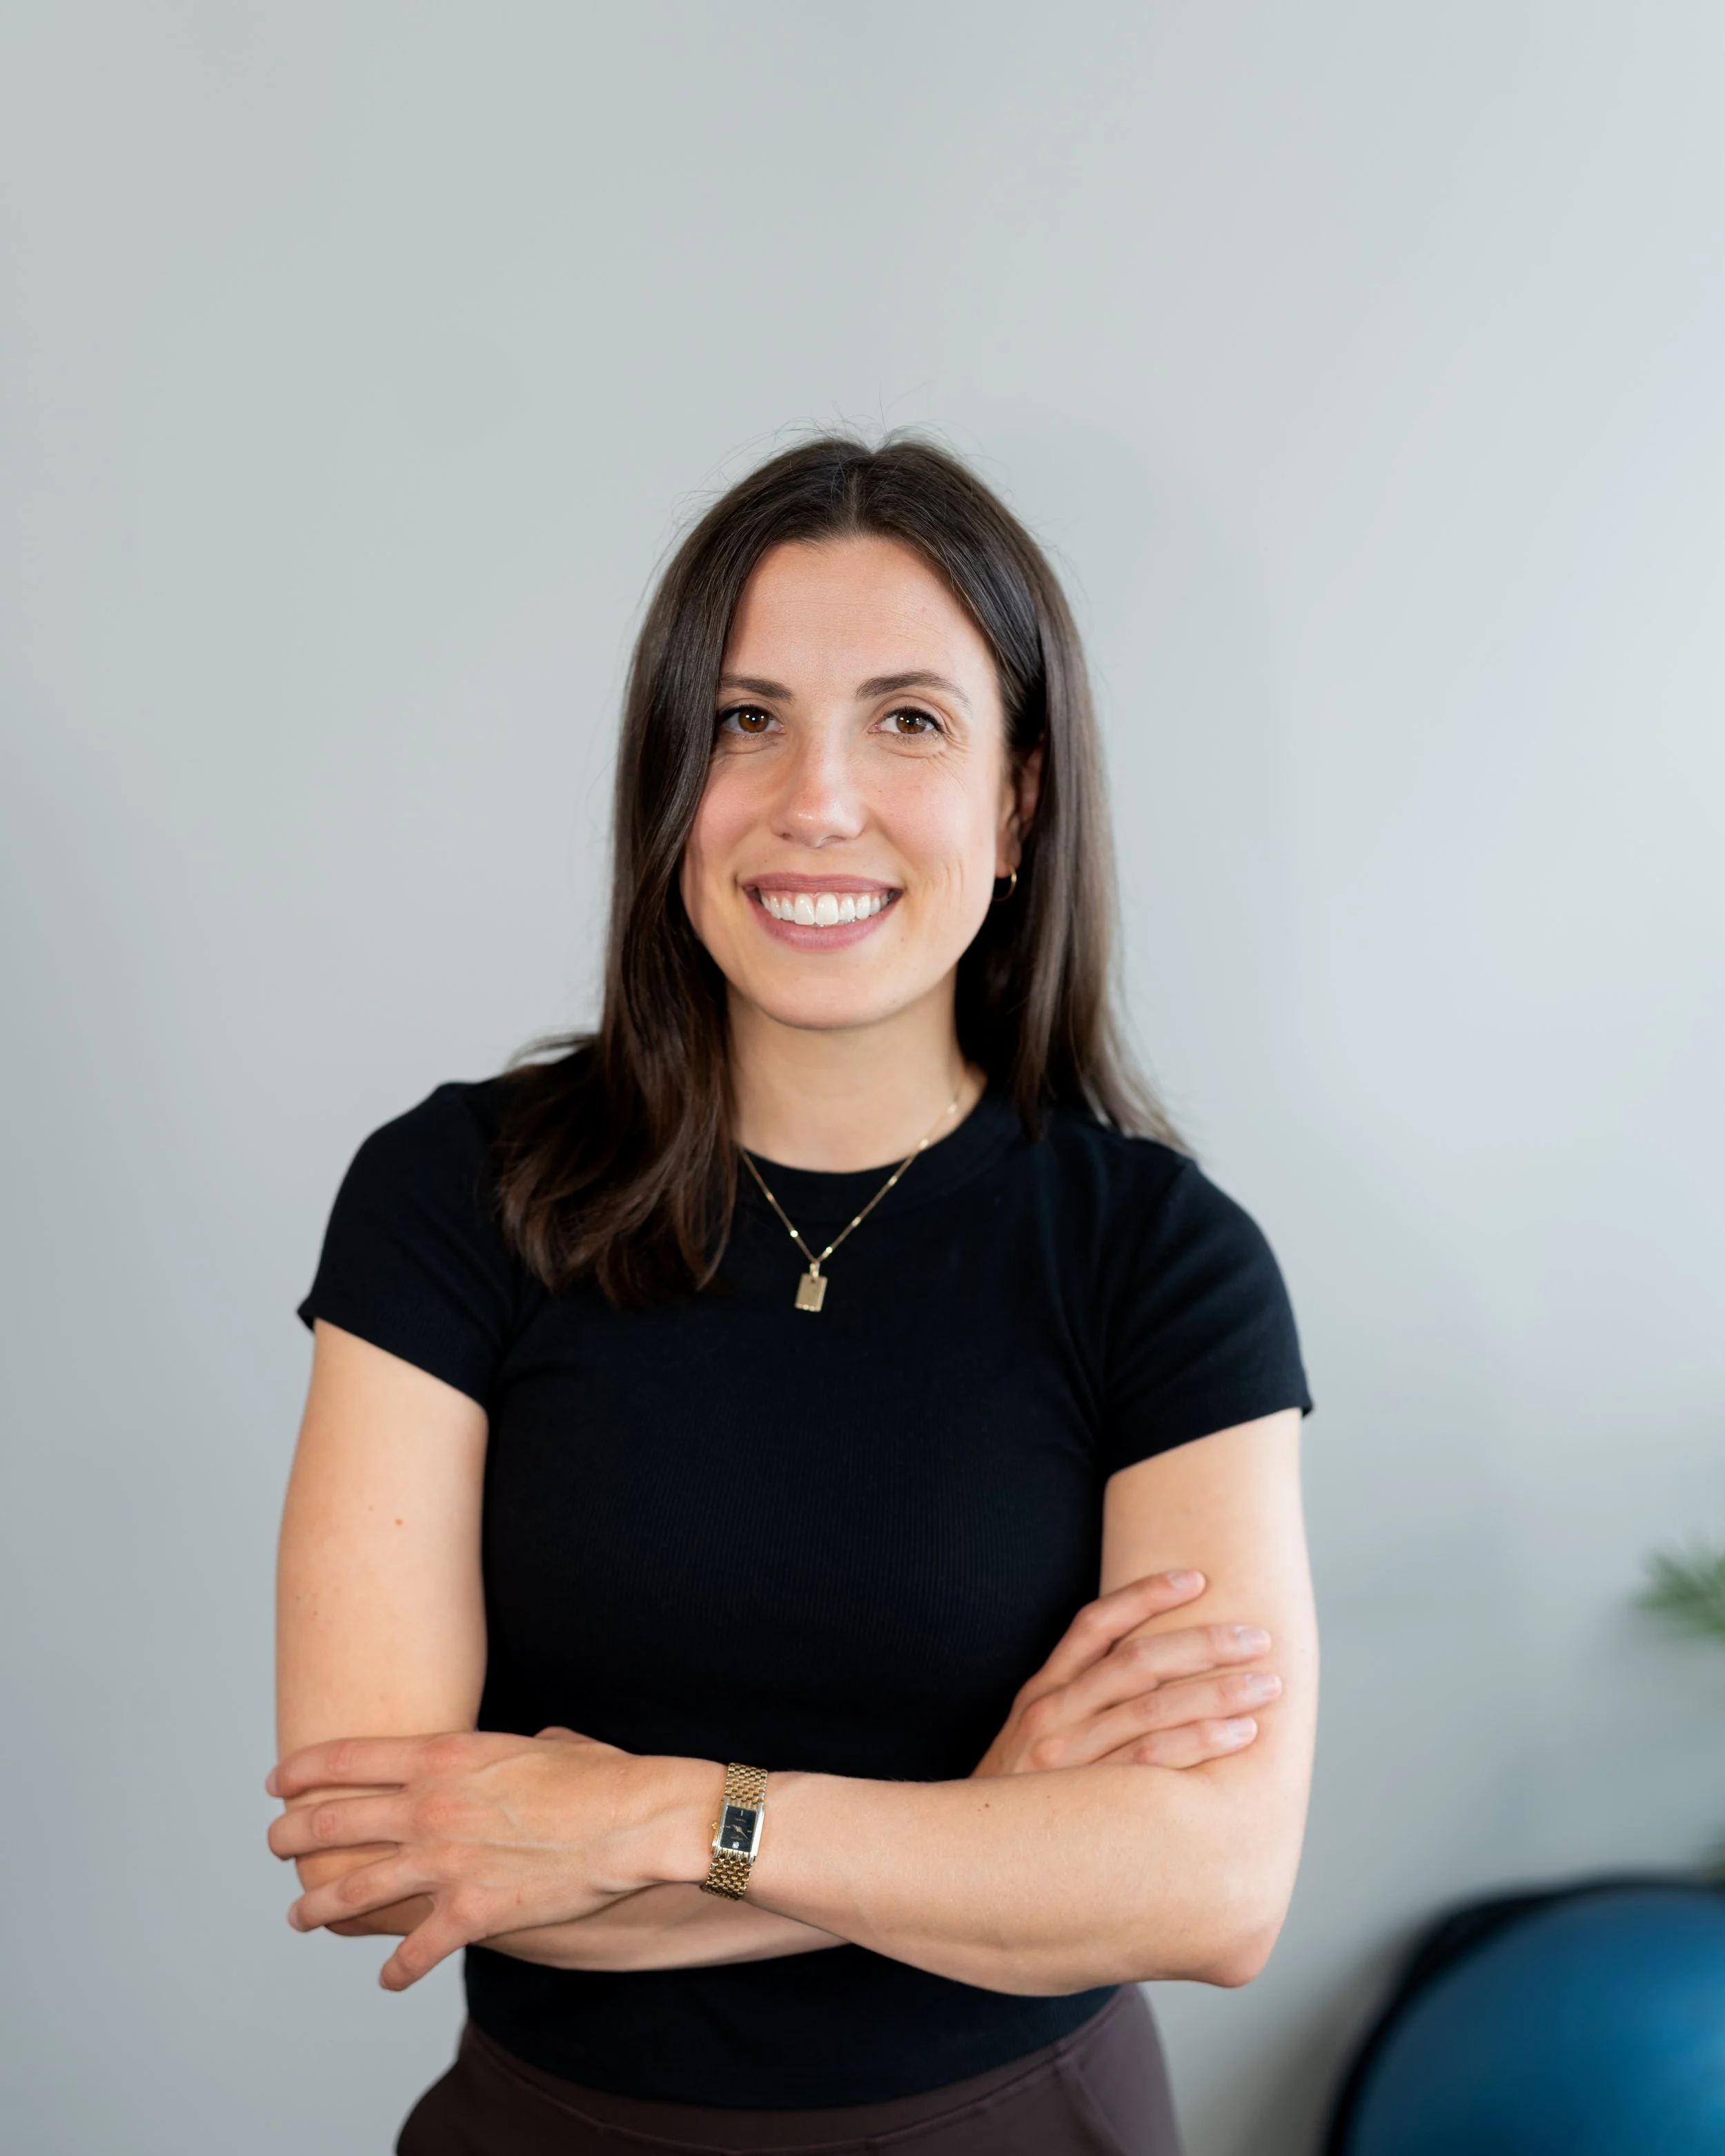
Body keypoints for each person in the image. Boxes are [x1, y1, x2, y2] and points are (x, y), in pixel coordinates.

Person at [266, 434, 1317, 2156]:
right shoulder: (457, 1194)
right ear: (669, 779)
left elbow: (1209, 1887)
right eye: (744, 719)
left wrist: (660, 1816)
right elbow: (385, 1847)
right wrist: (986, 1828)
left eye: (908, 719)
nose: (812, 798)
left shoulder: (1160, 1256)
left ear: (1017, 797)